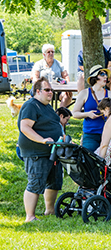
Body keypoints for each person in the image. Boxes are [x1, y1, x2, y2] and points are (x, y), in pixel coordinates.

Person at [17, 77, 63, 222]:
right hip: (37, 151)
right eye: (47, 90)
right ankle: (30, 216)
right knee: (36, 182)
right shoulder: (31, 106)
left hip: (52, 151)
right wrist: (42, 140)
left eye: (51, 90)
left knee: (54, 182)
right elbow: (25, 127)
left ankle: (50, 210)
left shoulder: (46, 106)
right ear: (38, 91)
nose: (51, 93)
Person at [72, 65, 111, 152]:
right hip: (90, 134)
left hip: (107, 133)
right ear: (95, 77)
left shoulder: (110, 94)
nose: (105, 77)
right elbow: (74, 113)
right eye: (102, 74)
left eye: (106, 75)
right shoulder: (84, 93)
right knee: (90, 161)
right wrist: (87, 114)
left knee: (107, 162)